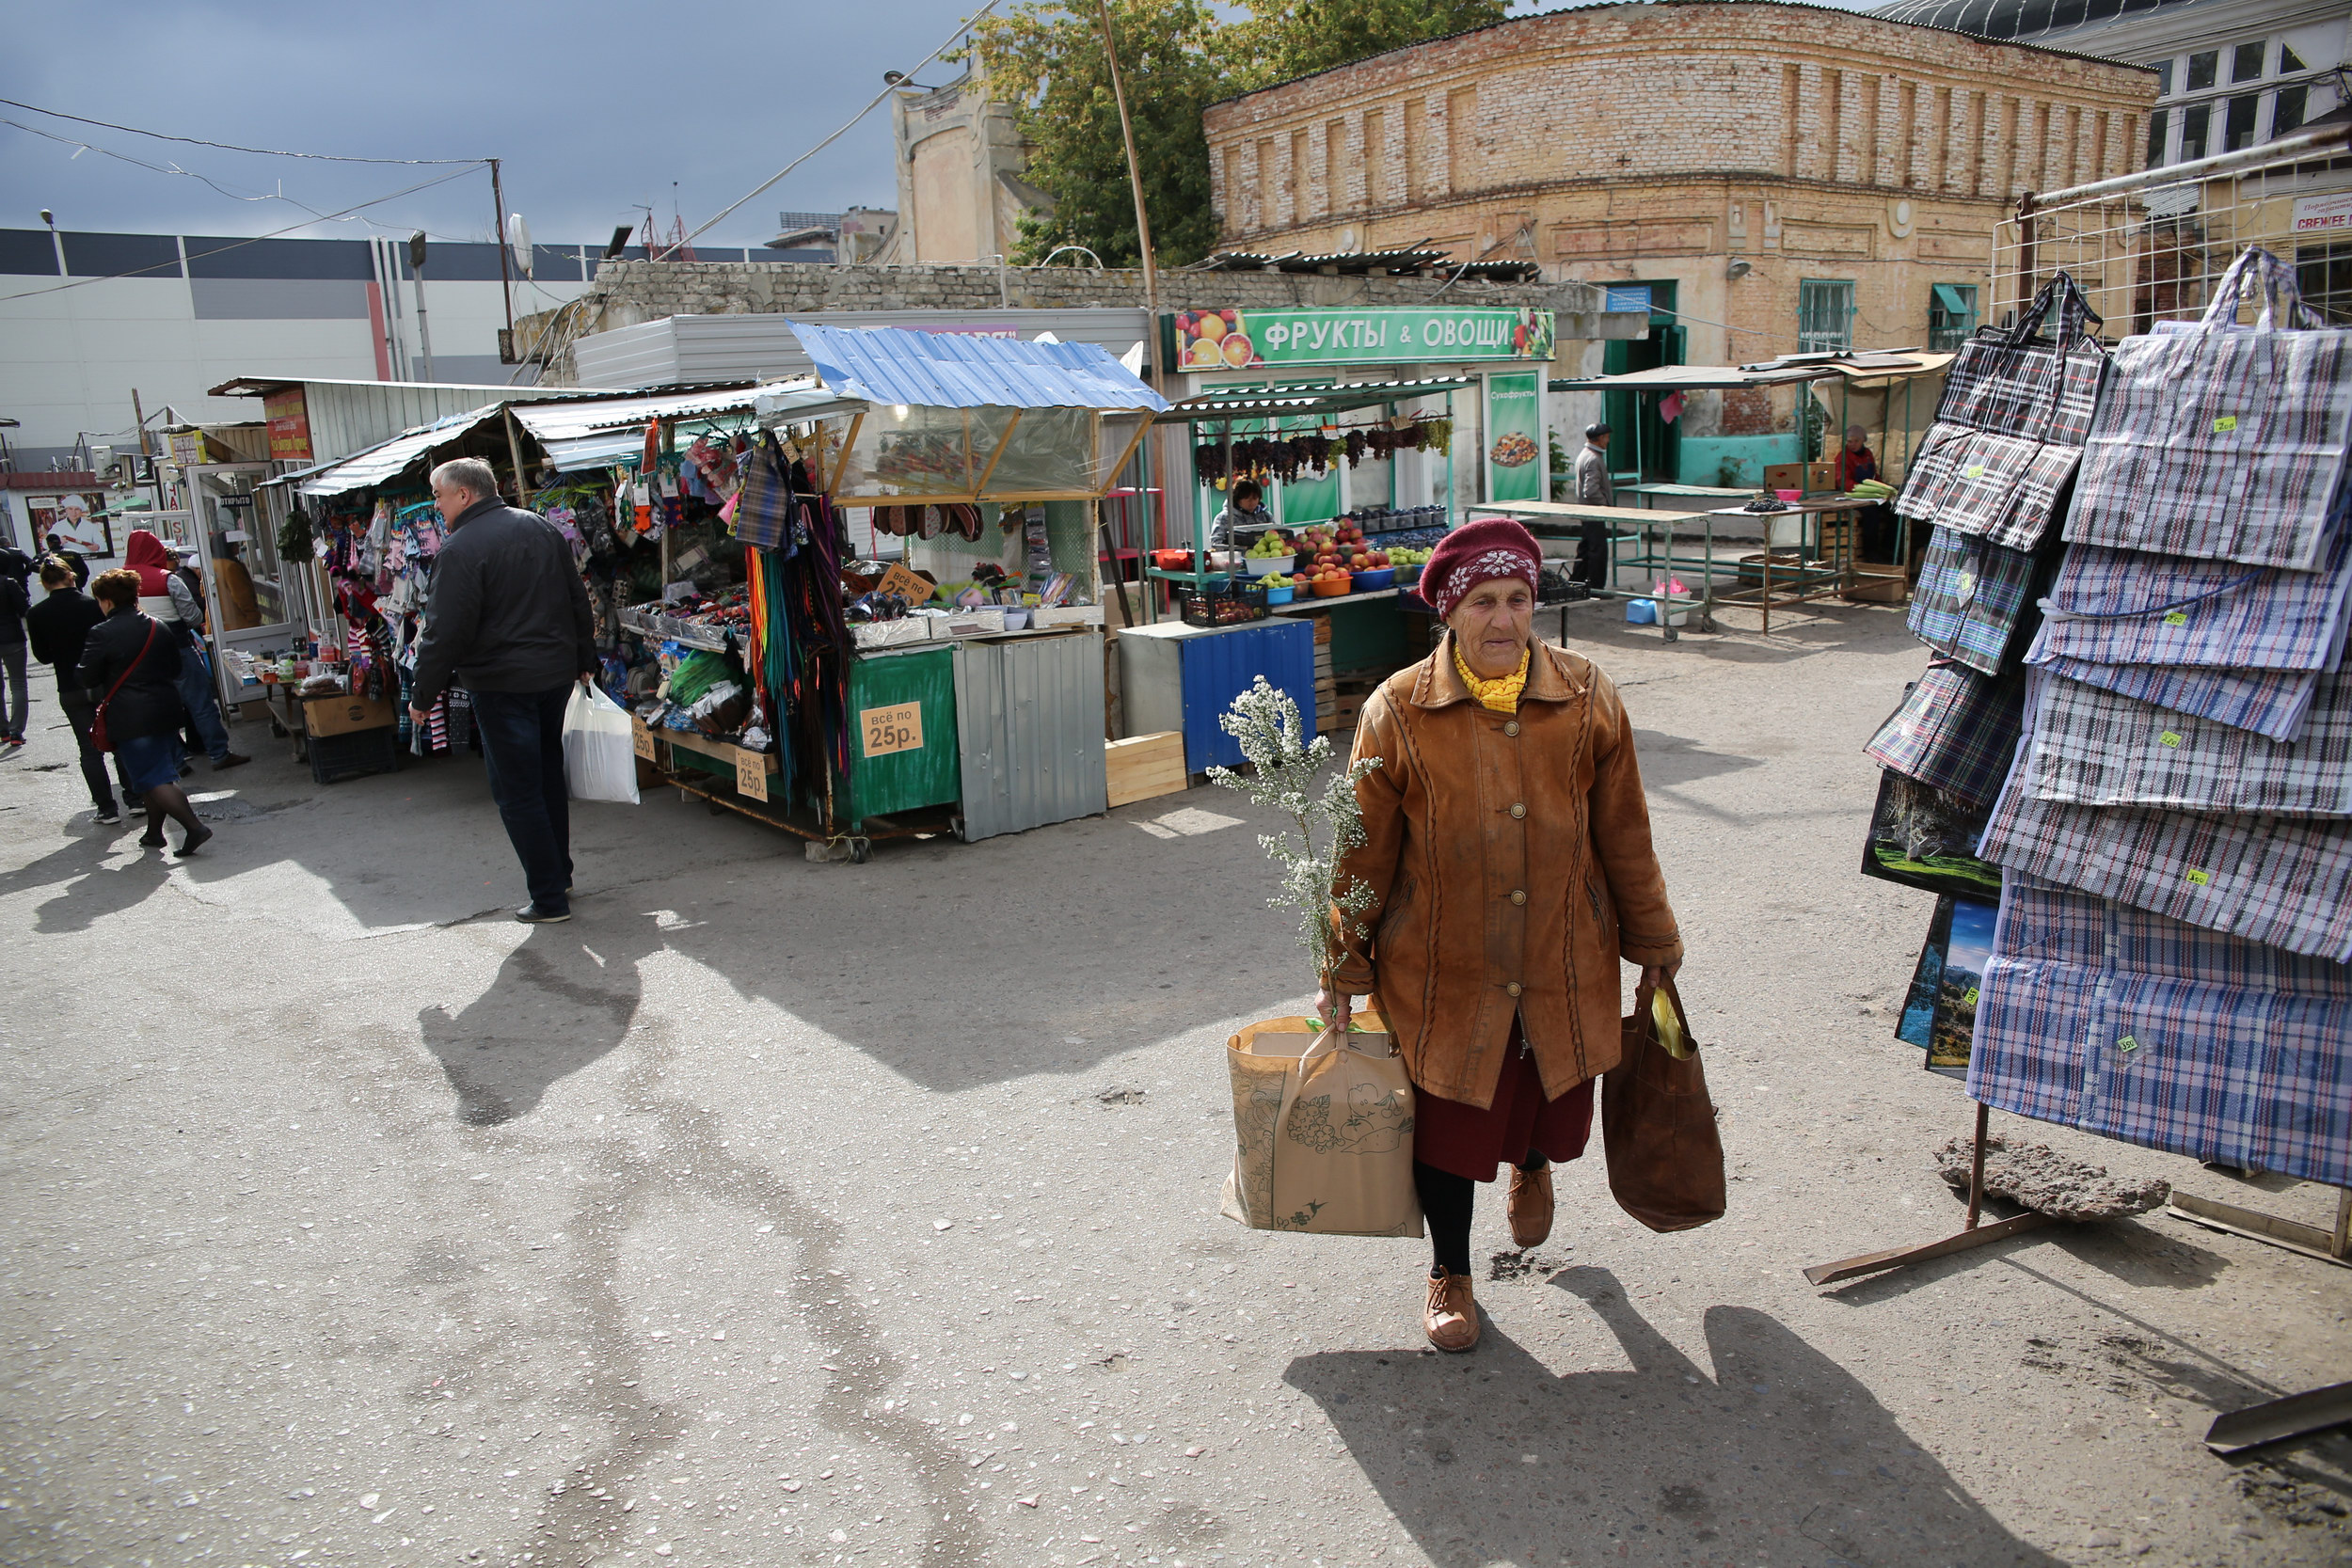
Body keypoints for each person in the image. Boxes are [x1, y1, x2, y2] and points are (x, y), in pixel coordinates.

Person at [1323, 516, 1683, 1352]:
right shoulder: (1398, 710)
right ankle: (1450, 1271)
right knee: (1449, 1121)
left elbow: (1625, 830)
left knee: (1544, 1096)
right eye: (1482, 600)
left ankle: (1534, 1163)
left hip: (1563, 953)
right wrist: (1344, 965)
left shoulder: (1589, 694)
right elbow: (1361, 852)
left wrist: (1655, 943)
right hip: (1443, 966)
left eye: (1518, 598)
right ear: (1449, 611)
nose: (1503, 619)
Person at [408, 456, 598, 925]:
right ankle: (560, 875)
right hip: (553, 675)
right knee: (547, 777)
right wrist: (584, 659)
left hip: (502, 684)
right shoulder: (539, 527)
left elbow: (442, 633)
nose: (437, 505)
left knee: (518, 790)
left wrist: (422, 695)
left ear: (464, 495)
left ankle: (549, 896)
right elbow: (577, 597)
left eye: (438, 495)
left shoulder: (459, 550)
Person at [77, 567, 210, 855]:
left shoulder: (102, 633)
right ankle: (153, 833)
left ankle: (194, 826)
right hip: (165, 709)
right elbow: (175, 668)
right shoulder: (157, 626)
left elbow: (86, 677)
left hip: (131, 716)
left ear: (107, 601)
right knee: (155, 773)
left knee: (152, 777)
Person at [124, 529, 247, 773]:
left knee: (159, 709)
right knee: (200, 703)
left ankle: (176, 761)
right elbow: (192, 616)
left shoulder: (119, 581)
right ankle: (218, 753)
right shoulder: (167, 578)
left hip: (139, 656)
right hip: (177, 646)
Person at [27, 557, 133, 823]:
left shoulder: (36, 613)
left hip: (70, 685)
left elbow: (42, 656)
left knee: (89, 749)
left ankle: (107, 808)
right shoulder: (92, 606)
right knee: (118, 741)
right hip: (103, 683)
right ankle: (135, 799)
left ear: (44, 583)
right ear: (71, 577)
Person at [1836, 425, 1897, 563]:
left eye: (1856, 441)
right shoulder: (1842, 457)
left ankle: (1889, 548)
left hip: (1872, 496)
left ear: (1863, 440)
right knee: (1871, 515)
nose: (1852, 444)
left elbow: (1874, 476)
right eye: (1849, 441)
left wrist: (1883, 489)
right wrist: (1861, 490)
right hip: (1855, 496)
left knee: (1895, 512)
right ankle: (1871, 552)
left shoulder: (1867, 454)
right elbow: (1843, 481)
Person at [1572, 422, 1614, 590]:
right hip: (1593, 511)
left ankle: (1576, 582)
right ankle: (1597, 587)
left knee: (1586, 548)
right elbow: (1590, 490)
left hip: (1586, 510)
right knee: (1598, 550)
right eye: (1607, 438)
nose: (1608, 441)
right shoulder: (1594, 459)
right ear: (1600, 439)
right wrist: (1604, 505)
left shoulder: (1586, 454)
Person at [0, 546, 30, 747]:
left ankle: (2, 729)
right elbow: (24, 609)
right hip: (12, 638)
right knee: (18, 683)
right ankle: (16, 731)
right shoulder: (9, 584)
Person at [1207, 479, 1267, 550]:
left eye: (1255, 498)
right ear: (1238, 499)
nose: (1252, 503)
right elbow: (1216, 543)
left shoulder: (1266, 516)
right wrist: (1241, 549)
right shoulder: (1225, 518)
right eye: (1248, 499)